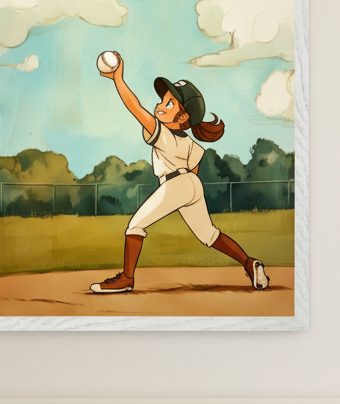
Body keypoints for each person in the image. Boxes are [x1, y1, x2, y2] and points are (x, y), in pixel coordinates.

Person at [90, 53, 270, 294]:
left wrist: (117, 79)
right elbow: (193, 173)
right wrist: (184, 193)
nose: (161, 105)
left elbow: (135, 107)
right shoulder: (192, 145)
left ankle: (127, 279)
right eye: (164, 100)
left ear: (183, 117)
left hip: (177, 184)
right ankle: (250, 263)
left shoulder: (162, 132)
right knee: (209, 235)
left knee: (135, 226)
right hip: (191, 184)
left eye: (170, 103)